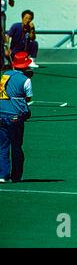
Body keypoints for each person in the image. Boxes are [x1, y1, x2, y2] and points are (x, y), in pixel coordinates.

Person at [0, 52, 33, 183]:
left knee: (2, 146)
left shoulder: (4, 75)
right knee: (17, 146)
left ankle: (3, 174)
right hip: (15, 116)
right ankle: (16, 176)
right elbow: (28, 97)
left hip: (1, 113)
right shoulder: (26, 80)